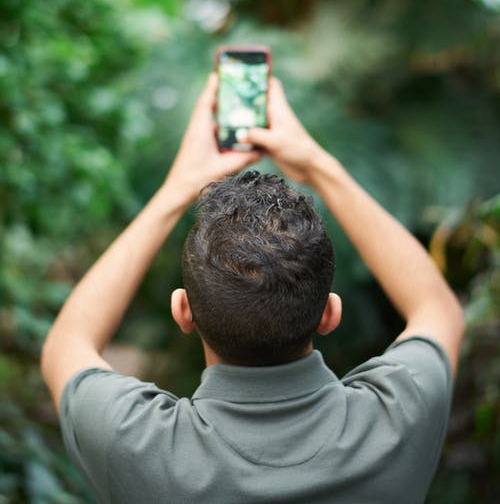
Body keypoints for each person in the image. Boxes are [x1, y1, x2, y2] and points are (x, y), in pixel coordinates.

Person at [41, 73, 465, 504]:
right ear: (330, 313)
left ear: (183, 311)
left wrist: (176, 190)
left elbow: (67, 344)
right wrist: (318, 166)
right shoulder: (397, 417)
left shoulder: (134, 442)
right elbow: (436, 307)